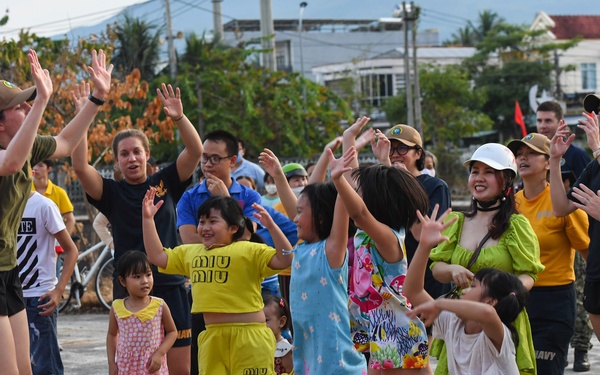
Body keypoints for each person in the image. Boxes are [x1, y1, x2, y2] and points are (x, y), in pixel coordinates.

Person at [72, 82, 202, 375]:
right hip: (129, 292)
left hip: (169, 286)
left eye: (137, 152)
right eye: (124, 154)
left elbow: (195, 151)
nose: (131, 158)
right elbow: (80, 166)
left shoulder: (165, 182)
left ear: (147, 155)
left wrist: (179, 118)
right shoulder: (111, 192)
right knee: (135, 367)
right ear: (117, 160)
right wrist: (84, 114)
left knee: (180, 370)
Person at [0, 48, 111, 375]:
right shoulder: (14, 155)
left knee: (25, 369)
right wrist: (43, 101)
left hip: (8, 270)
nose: (27, 107)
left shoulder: (27, 145)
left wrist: (96, 99)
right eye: (18, 106)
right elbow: (11, 164)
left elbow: (65, 142)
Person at [142, 191, 293, 375]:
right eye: (201, 222)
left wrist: (271, 227)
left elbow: (285, 259)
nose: (204, 227)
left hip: (250, 337)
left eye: (213, 221)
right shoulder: (191, 252)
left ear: (233, 228)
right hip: (212, 337)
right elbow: (157, 256)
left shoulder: (250, 250)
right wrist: (148, 219)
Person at [429, 143, 545, 375]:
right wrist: (451, 269)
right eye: (475, 171)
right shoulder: (457, 221)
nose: (478, 178)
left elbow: (529, 274)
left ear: (506, 181)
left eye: (489, 172)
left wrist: (498, 297)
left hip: (500, 321)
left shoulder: (516, 225)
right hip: (461, 321)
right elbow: (436, 266)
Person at [330, 146, 430, 372]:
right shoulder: (369, 232)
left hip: (396, 325)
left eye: (360, 193)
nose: (355, 196)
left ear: (377, 201)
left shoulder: (387, 237)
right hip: (375, 321)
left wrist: (337, 180)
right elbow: (364, 188)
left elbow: (360, 213)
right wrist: (351, 141)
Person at [404, 205, 527, 375]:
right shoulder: (454, 322)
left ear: (490, 301)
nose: (465, 289)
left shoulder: (498, 335)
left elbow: (486, 314)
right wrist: (424, 246)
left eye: (474, 286)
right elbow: (413, 292)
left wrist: (440, 303)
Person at [507, 133, 590, 374]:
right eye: (519, 154)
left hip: (555, 301)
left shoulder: (563, 204)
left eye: (531, 153)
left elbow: (588, 253)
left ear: (548, 162)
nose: (523, 158)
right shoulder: (510, 205)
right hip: (517, 300)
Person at [286, 179, 367, 374]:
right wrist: (279, 176)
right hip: (307, 351)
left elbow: (341, 209)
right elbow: (298, 206)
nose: (294, 218)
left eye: (299, 212)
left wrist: (339, 179)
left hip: (335, 357)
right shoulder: (301, 248)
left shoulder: (330, 251)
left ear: (321, 217)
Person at [372, 123, 451, 299]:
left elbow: (421, 233)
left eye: (402, 149)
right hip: (389, 281)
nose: (395, 155)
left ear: (418, 153)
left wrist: (404, 182)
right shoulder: (382, 186)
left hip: (427, 279)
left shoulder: (435, 186)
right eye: (390, 149)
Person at [549, 111, 600, 347]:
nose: (595, 120)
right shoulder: (593, 167)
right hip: (596, 272)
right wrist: (555, 160)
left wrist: (598, 150)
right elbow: (560, 207)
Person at [17, 192, 78, 375]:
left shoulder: (44, 206)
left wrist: (59, 290)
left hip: (39, 296)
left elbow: (71, 251)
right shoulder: (7, 202)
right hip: (11, 296)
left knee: (45, 366)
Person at [176, 130, 261, 244]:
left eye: (215, 158)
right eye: (204, 157)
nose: (208, 164)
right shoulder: (189, 197)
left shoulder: (250, 196)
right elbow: (189, 240)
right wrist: (230, 239)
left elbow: (246, 236)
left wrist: (226, 199)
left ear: (232, 161)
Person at [106, 251, 177, 375]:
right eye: (137, 277)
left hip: (151, 367)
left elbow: (172, 332)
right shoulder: (116, 307)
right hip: (126, 368)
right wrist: (112, 363)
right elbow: (112, 335)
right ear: (123, 281)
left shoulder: (159, 305)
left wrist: (159, 354)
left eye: (148, 275)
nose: (145, 281)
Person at [536, 101, 590, 178]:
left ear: (561, 123)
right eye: (539, 121)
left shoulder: (577, 155)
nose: (542, 126)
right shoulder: (533, 155)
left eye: (548, 121)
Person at [31, 159, 76, 235]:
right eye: (33, 165)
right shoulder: (25, 192)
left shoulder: (59, 192)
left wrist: (61, 243)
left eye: (40, 165)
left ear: (49, 169)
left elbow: (70, 220)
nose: (35, 168)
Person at [263, 294, 293, 375]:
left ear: (281, 322)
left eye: (266, 320)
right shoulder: (259, 345)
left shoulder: (285, 350)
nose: (261, 325)